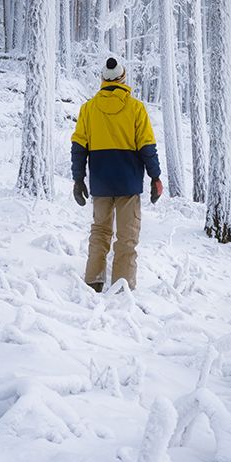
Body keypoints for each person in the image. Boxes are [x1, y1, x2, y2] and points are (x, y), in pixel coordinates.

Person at [70, 55, 163, 292]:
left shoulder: (88, 109)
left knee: (100, 232)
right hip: (128, 183)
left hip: (101, 182)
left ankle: (94, 281)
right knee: (127, 237)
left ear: (102, 79)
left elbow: (79, 147)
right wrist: (155, 177)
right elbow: (147, 147)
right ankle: (123, 287)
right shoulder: (136, 108)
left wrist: (78, 178)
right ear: (123, 79)